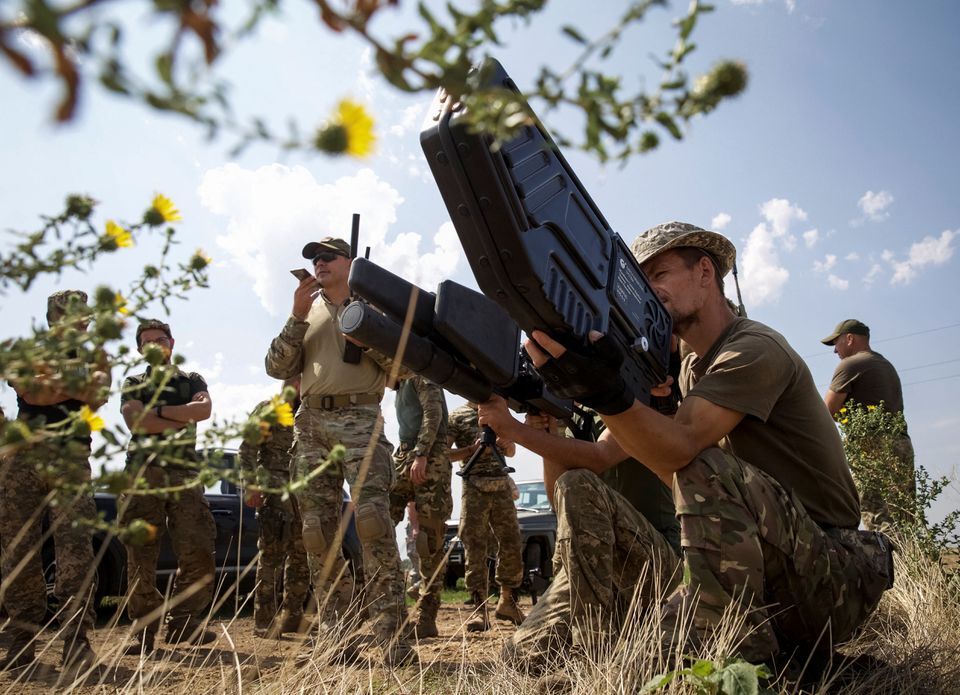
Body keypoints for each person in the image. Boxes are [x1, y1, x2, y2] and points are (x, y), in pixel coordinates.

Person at [493, 221, 893, 670]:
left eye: (658, 276)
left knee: (704, 465)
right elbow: (665, 469)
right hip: (757, 564)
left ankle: (744, 657)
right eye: (639, 285)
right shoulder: (688, 372)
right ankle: (741, 647)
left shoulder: (754, 347)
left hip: (830, 577)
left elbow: (684, 455)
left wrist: (606, 394)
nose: (647, 294)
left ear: (705, 273)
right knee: (574, 657)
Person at [264, 236, 411, 664]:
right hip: (310, 424)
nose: (319, 263)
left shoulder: (375, 310)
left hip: (360, 419)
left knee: (373, 525)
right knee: (316, 531)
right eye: (314, 258)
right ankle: (337, 636)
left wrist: (367, 335)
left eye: (329, 257)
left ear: (351, 263)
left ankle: (392, 637)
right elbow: (276, 367)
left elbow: (403, 371)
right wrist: (294, 315)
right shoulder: (305, 312)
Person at [476, 400, 681, 657]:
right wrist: (548, 437)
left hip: (653, 566)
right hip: (591, 572)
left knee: (577, 482)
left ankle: (593, 650)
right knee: (519, 656)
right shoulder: (576, 418)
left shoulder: (638, 403)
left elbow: (599, 457)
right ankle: (619, 631)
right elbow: (557, 498)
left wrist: (514, 430)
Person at [0, 291, 109, 673]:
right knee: (18, 550)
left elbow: (96, 395)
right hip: (22, 460)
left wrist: (55, 382)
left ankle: (76, 643)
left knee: (75, 552)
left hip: (71, 459)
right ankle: (19, 642)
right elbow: (31, 390)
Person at [119, 319, 217, 652]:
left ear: (171, 343)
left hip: (183, 474)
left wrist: (157, 411)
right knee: (140, 555)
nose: (155, 346)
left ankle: (183, 623)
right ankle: (143, 629)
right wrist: (180, 415)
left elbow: (203, 410)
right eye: (147, 342)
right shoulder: (133, 383)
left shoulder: (191, 380)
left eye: (160, 340)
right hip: (142, 474)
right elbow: (136, 421)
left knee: (199, 550)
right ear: (139, 349)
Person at [822, 319, 915, 530]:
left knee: (877, 514)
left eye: (836, 343)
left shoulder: (850, 365)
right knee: (903, 513)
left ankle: (888, 562)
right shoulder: (885, 365)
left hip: (870, 445)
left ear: (850, 339)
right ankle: (909, 561)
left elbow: (825, 411)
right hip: (901, 443)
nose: (835, 351)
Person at [239, 377, 310, 638]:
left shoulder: (309, 412)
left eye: (302, 378)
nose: (298, 384)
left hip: (303, 495)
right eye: (294, 379)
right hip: (274, 493)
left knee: (301, 558)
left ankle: (293, 616)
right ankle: (264, 620)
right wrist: (250, 484)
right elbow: (246, 449)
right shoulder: (269, 409)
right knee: (271, 556)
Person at [447, 402, 525, 631]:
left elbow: (511, 452)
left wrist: (507, 445)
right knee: (475, 546)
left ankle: (507, 601)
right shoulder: (458, 416)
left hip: (501, 485)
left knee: (512, 541)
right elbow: (444, 452)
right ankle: (478, 609)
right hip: (473, 485)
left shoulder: (499, 412)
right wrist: (470, 451)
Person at [388, 375, 452, 638]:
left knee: (428, 540)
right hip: (404, 454)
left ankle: (427, 616)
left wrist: (422, 453)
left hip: (429, 457)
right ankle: (386, 608)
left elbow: (433, 412)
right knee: (378, 523)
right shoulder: (401, 382)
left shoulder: (421, 371)